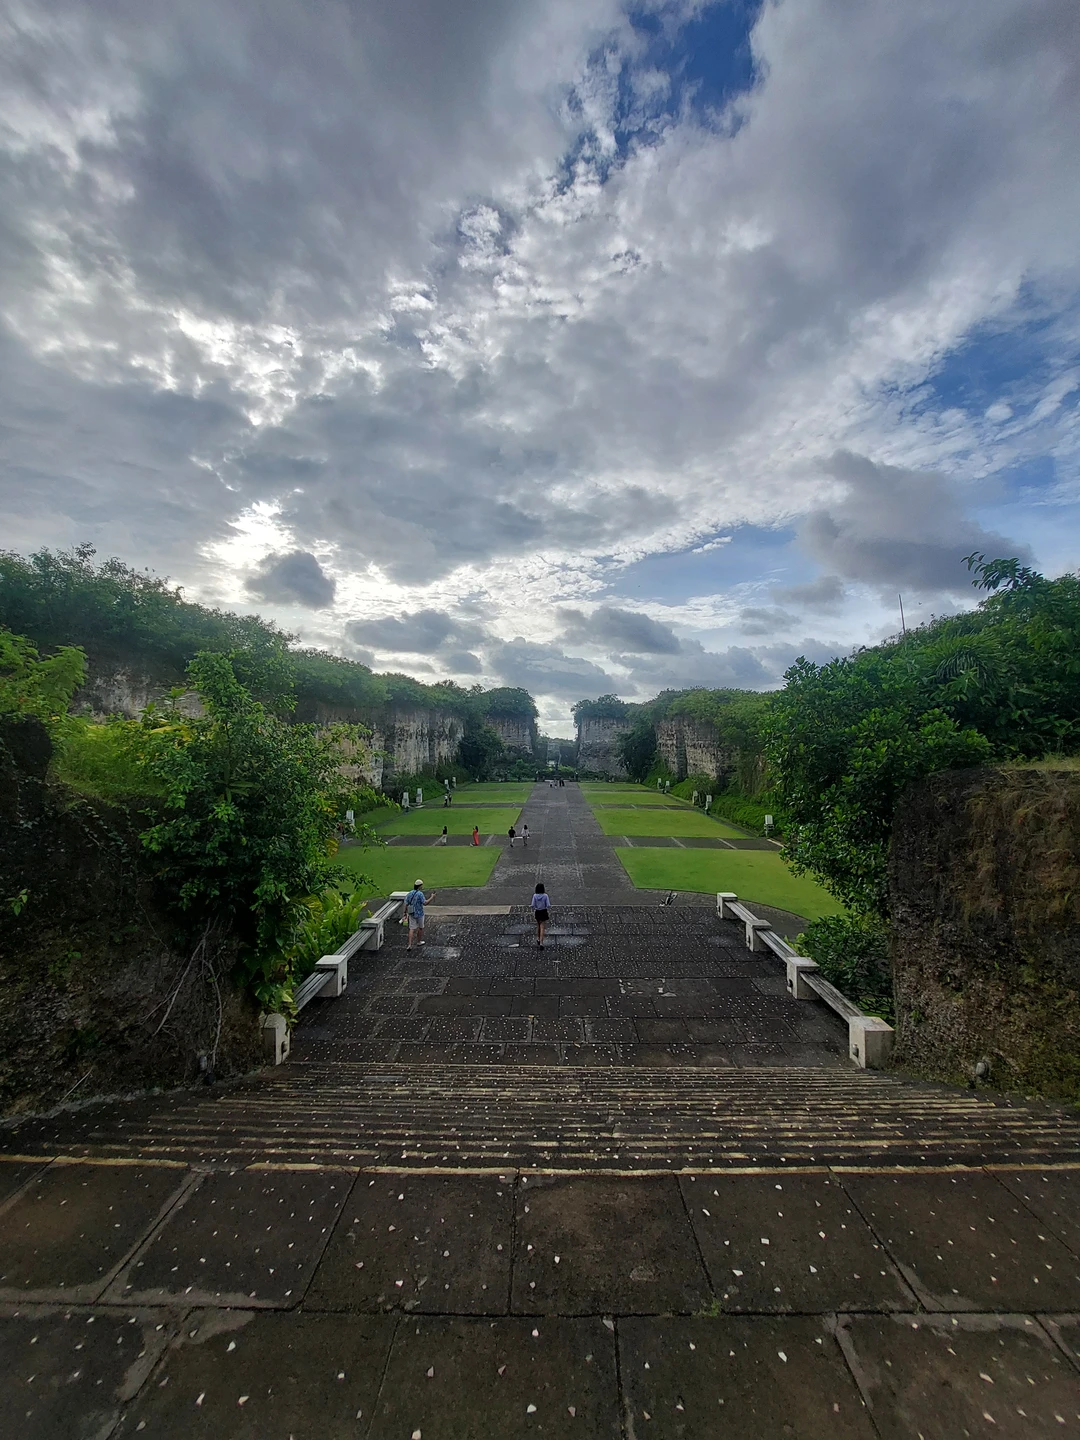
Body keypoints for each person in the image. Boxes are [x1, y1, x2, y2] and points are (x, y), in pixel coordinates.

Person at [404, 879, 436, 950]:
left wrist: (404, 913)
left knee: (411, 928)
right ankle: (418, 941)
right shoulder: (420, 894)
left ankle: (409, 944)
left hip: (411, 913)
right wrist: (432, 897)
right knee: (420, 927)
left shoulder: (410, 893)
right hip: (419, 914)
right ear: (419, 886)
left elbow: (406, 903)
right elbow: (425, 903)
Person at [531, 881, 551, 948]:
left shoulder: (535, 896)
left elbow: (532, 905)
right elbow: (548, 905)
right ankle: (541, 943)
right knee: (542, 927)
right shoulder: (545, 896)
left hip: (537, 911)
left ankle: (538, 938)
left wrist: (536, 907)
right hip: (543, 911)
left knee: (538, 925)